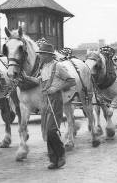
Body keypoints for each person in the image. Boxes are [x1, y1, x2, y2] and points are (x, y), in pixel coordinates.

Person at [21, 41, 76, 169]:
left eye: (43, 54)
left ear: (50, 55)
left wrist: (56, 88)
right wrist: (26, 78)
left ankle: (61, 155)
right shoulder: (43, 67)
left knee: (52, 130)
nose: (40, 56)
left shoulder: (58, 66)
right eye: (40, 54)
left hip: (56, 100)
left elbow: (71, 81)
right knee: (46, 131)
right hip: (45, 100)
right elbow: (39, 81)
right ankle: (53, 159)